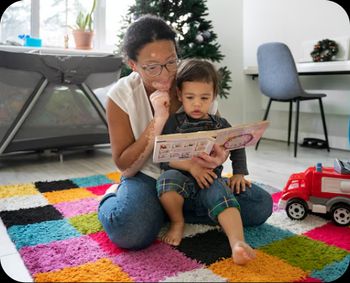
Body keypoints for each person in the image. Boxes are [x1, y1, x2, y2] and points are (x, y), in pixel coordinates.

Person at [98, 14, 273, 251]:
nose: (166, 74)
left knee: (261, 205)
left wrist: (220, 157)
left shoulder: (195, 86)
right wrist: (157, 121)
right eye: (152, 67)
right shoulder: (121, 95)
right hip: (146, 177)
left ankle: (166, 211)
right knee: (129, 230)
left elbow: (219, 137)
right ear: (133, 65)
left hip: (197, 177)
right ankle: (122, 200)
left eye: (171, 61)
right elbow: (126, 167)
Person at [156, 59, 255, 264]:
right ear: (179, 95)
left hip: (210, 180)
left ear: (213, 97)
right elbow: (165, 158)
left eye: (204, 97)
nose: (197, 103)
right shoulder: (174, 122)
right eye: (190, 97)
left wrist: (239, 173)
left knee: (224, 196)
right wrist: (191, 166)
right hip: (181, 178)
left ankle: (237, 243)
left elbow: (237, 143)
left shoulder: (219, 123)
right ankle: (177, 221)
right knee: (166, 181)